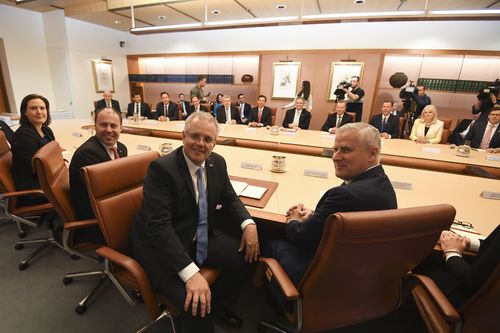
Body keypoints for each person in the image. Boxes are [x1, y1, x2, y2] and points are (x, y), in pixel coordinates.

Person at [129, 112, 259, 332]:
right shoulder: (162, 169)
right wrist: (191, 274)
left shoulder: (216, 163)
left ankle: (216, 302)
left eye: (208, 139)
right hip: (160, 249)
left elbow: (229, 196)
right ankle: (202, 313)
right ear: (183, 136)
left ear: (215, 143)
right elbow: (158, 228)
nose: (201, 144)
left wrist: (249, 223)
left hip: (195, 236)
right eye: (195, 136)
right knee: (195, 304)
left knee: (248, 255)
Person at [266, 123, 397, 310]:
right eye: (335, 149)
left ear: (372, 153)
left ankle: (275, 303)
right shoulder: (382, 183)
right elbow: (345, 216)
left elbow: (301, 237)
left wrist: (294, 219)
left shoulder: (344, 195)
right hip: (361, 275)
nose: (335, 157)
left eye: (345, 150)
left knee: (268, 235)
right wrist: (320, 216)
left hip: (323, 277)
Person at [69, 107, 127, 243]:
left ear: (121, 128)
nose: (108, 130)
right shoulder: (88, 154)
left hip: (108, 203)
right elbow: (105, 192)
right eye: (103, 125)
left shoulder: (122, 148)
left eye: (113, 126)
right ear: (94, 126)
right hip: (95, 213)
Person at [413, 225, 500, 308]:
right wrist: (464, 241)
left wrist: (451, 252)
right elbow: (494, 248)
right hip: (483, 288)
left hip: (472, 301)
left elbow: (473, 280)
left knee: (424, 259)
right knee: (436, 257)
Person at [11, 94, 56, 205]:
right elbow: (36, 168)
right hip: (35, 189)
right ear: (25, 112)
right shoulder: (23, 136)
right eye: (33, 108)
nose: (39, 112)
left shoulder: (46, 130)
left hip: (49, 180)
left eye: (42, 108)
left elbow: (54, 153)